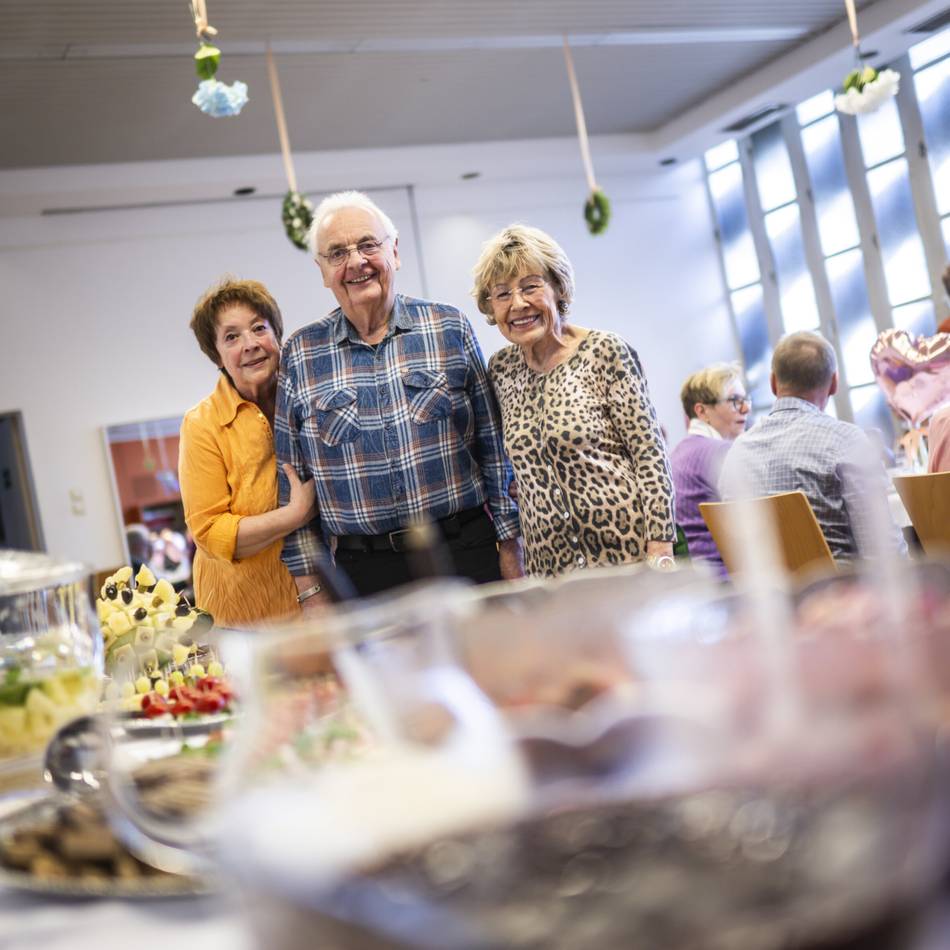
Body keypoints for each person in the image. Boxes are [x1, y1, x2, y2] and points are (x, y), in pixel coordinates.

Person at [275, 191, 522, 604]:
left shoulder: (449, 327)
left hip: (464, 554)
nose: (356, 262)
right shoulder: (300, 354)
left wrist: (512, 548)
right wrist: (311, 592)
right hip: (365, 574)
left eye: (368, 245)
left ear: (395, 250)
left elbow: (494, 451)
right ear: (323, 271)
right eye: (337, 253)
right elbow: (291, 483)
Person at [470, 224, 676, 578]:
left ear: (558, 288)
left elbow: (649, 455)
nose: (518, 304)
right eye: (502, 294)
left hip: (625, 555)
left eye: (530, 287)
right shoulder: (500, 370)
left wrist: (660, 546)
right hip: (549, 567)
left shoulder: (605, 351)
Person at [179, 278, 317, 627]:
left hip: (320, 601)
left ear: (277, 334)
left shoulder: (311, 398)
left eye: (259, 328)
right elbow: (210, 532)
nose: (250, 344)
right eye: (232, 337)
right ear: (218, 356)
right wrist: (295, 514)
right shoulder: (202, 425)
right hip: (242, 620)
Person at [719, 331, 906, 560]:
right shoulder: (847, 441)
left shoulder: (736, 454)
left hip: (767, 594)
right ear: (834, 383)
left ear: (773, 382)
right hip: (846, 592)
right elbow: (885, 552)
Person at [670, 364, 750, 572]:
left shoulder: (677, 454)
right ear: (702, 411)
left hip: (696, 581)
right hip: (730, 581)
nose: (745, 408)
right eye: (735, 401)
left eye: (745, 400)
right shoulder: (723, 453)